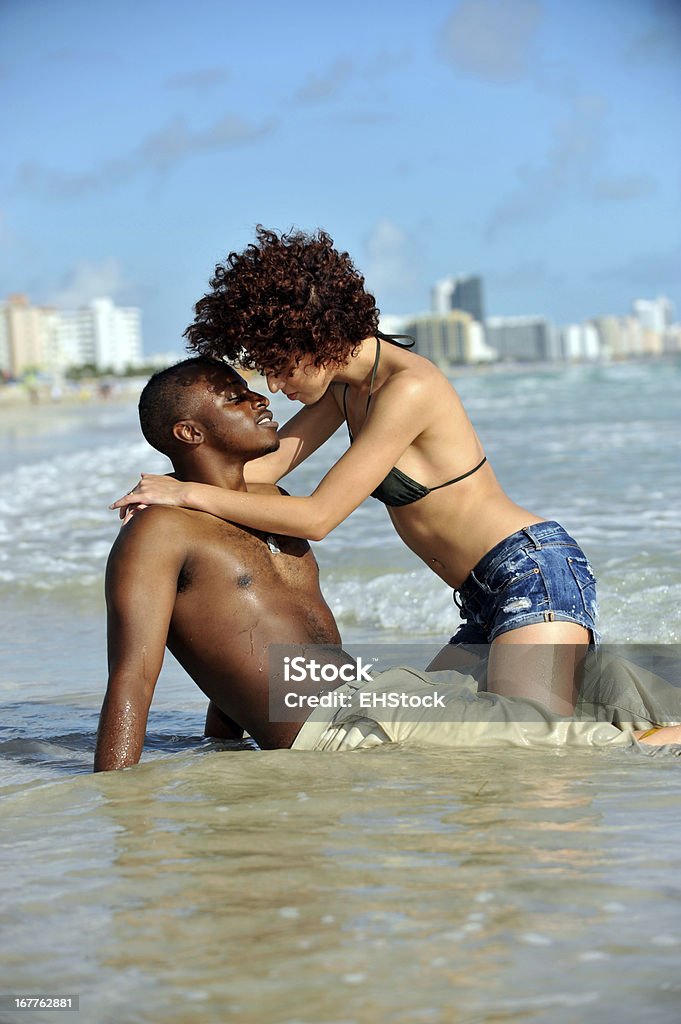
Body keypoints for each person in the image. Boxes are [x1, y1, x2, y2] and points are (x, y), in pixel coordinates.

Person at [98, 357, 681, 770]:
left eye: (262, 381)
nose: (263, 395)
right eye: (238, 396)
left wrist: (227, 742)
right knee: (535, 736)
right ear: (189, 431)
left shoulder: (272, 506)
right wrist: (115, 805)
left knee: (607, 681)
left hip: (375, 695)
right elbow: (133, 677)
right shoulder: (158, 531)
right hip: (345, 724)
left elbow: (243, 632)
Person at [111, 228, 599, 710]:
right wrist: (170, 488)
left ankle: (671, 741)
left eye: (281, 366)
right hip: (479, 595)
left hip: (530, 571)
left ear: (313, 337)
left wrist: (187, 496)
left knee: (534, 749)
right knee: (427, 744)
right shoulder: (346, 390)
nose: (276, 387)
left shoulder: (408, 388)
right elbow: (262, 472)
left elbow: (318, 517)